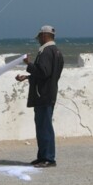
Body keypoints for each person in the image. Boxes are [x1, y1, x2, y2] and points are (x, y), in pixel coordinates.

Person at [16, 25, 64, 168]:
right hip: (48, 93)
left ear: (44, 35)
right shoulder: (56, 52)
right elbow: (48, 75)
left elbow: (43, 72)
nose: (38, 40)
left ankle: (49, 158)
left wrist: (28, 64)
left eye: (39, 37)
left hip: (43, 95)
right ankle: (42, 156)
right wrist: (28, 77)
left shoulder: (46, 52)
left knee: (45, 127)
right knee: (43, 126)